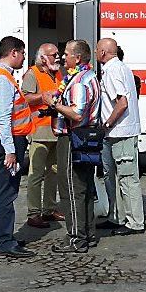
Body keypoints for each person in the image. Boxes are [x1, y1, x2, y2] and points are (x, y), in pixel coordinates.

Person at [43, 39, 101, 254]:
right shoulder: (88, 76)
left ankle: (76, 237)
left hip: (73, 137)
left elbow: (77, 113)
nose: (62, 57)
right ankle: (87, 233)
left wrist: (55, 104)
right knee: (84, 187)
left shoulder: (78, 82)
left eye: (66, 54)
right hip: (85, 137)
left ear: (77, 58)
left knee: (71, 188)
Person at [0, 36, 35, 258]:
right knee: (7, 191)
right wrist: (11, 151)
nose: (24, 57)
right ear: (13, 52)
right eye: (22, 53)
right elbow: (4, 118)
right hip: (9, 140)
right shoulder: (3, 79)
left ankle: (0, 237)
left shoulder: (0, 76)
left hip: (6, 138)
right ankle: (4, 240)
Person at [96, 38, 145, 236]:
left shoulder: (114, 70)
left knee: (126, 178)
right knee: (112, 177)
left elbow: (122, 102)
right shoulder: (120, 68)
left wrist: (107, 123)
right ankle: (116, 216)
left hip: (120, 132)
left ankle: (134, 222)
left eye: (98, 49)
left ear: (103, 52)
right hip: (115, 133)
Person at [22, 43, 66, 229]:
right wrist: (43, 97)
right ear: (42, 58)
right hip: (39, 131)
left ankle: (49, 209)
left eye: (57, 54)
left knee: (54, 172)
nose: (58, 57)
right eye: (53, 54)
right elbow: (25, 97)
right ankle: (34, 213)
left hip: (56, 130)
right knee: (36, 174)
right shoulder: (32, 73)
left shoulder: (58, 73)